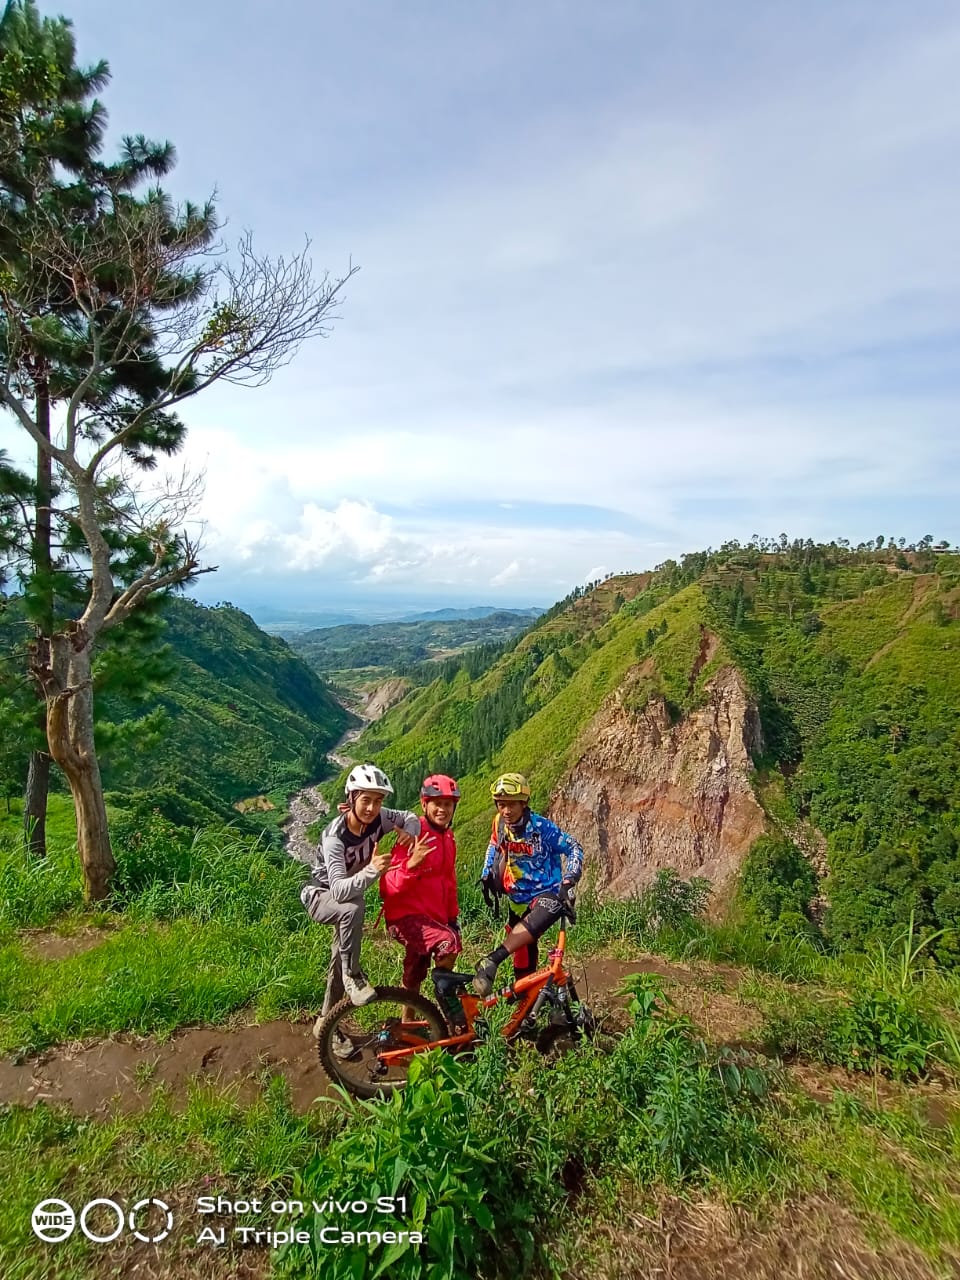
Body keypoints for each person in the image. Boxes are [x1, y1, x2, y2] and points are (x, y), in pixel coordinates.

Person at [301, 762, 425, 1042]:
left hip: (347, 899)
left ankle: (327, 1025)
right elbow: (340, 891)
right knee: (353, 908)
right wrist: (372, 871)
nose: (372, 808)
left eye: (378, 801)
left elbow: (409, 816)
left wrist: (409, 832)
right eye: (366, 800)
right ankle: (353, 976)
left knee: (338, 958)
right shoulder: (335, 837)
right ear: (352, 798)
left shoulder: (379, 819)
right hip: (320, 895)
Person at [472, 771, 584, 996]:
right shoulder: (499, 824)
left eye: (511, 805)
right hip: (517, 898)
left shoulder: (541, 828)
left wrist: (569, 880)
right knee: (523, 959)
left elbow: (573, 847)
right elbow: (494, 844)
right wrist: (487, 873)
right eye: (501, 804)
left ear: (524, 803)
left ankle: (492, 960)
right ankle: (526, 1006)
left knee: (534, 924)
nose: (506, 811)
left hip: (548, 893)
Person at [380, 774, 462, 1020]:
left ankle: (408, 1024)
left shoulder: (448, 838)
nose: (443, 809)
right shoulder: (412, 834)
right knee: (448, 944)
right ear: (424, 804)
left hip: (431, 918)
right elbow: (387, 887)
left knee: (415, 973)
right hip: (405, 917)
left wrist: (452, 917)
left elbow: (448, 882)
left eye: (448, 804)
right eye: (437, 803)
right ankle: (450, 1010)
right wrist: (412, 865)